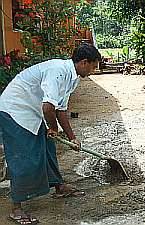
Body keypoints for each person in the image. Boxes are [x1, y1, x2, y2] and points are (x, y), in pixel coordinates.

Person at [0, 43, 101, 224]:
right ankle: (16, 208)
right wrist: (53, 128)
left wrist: (72, 137)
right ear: (84, 62)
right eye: (94, 66)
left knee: (47, 147)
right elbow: (48, 108)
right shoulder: (58, 71)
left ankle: (59, 186)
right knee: (25, 157)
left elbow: (60, 109)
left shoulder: (73, 77)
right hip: (14, 109)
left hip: (32, 109)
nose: (94, 70)